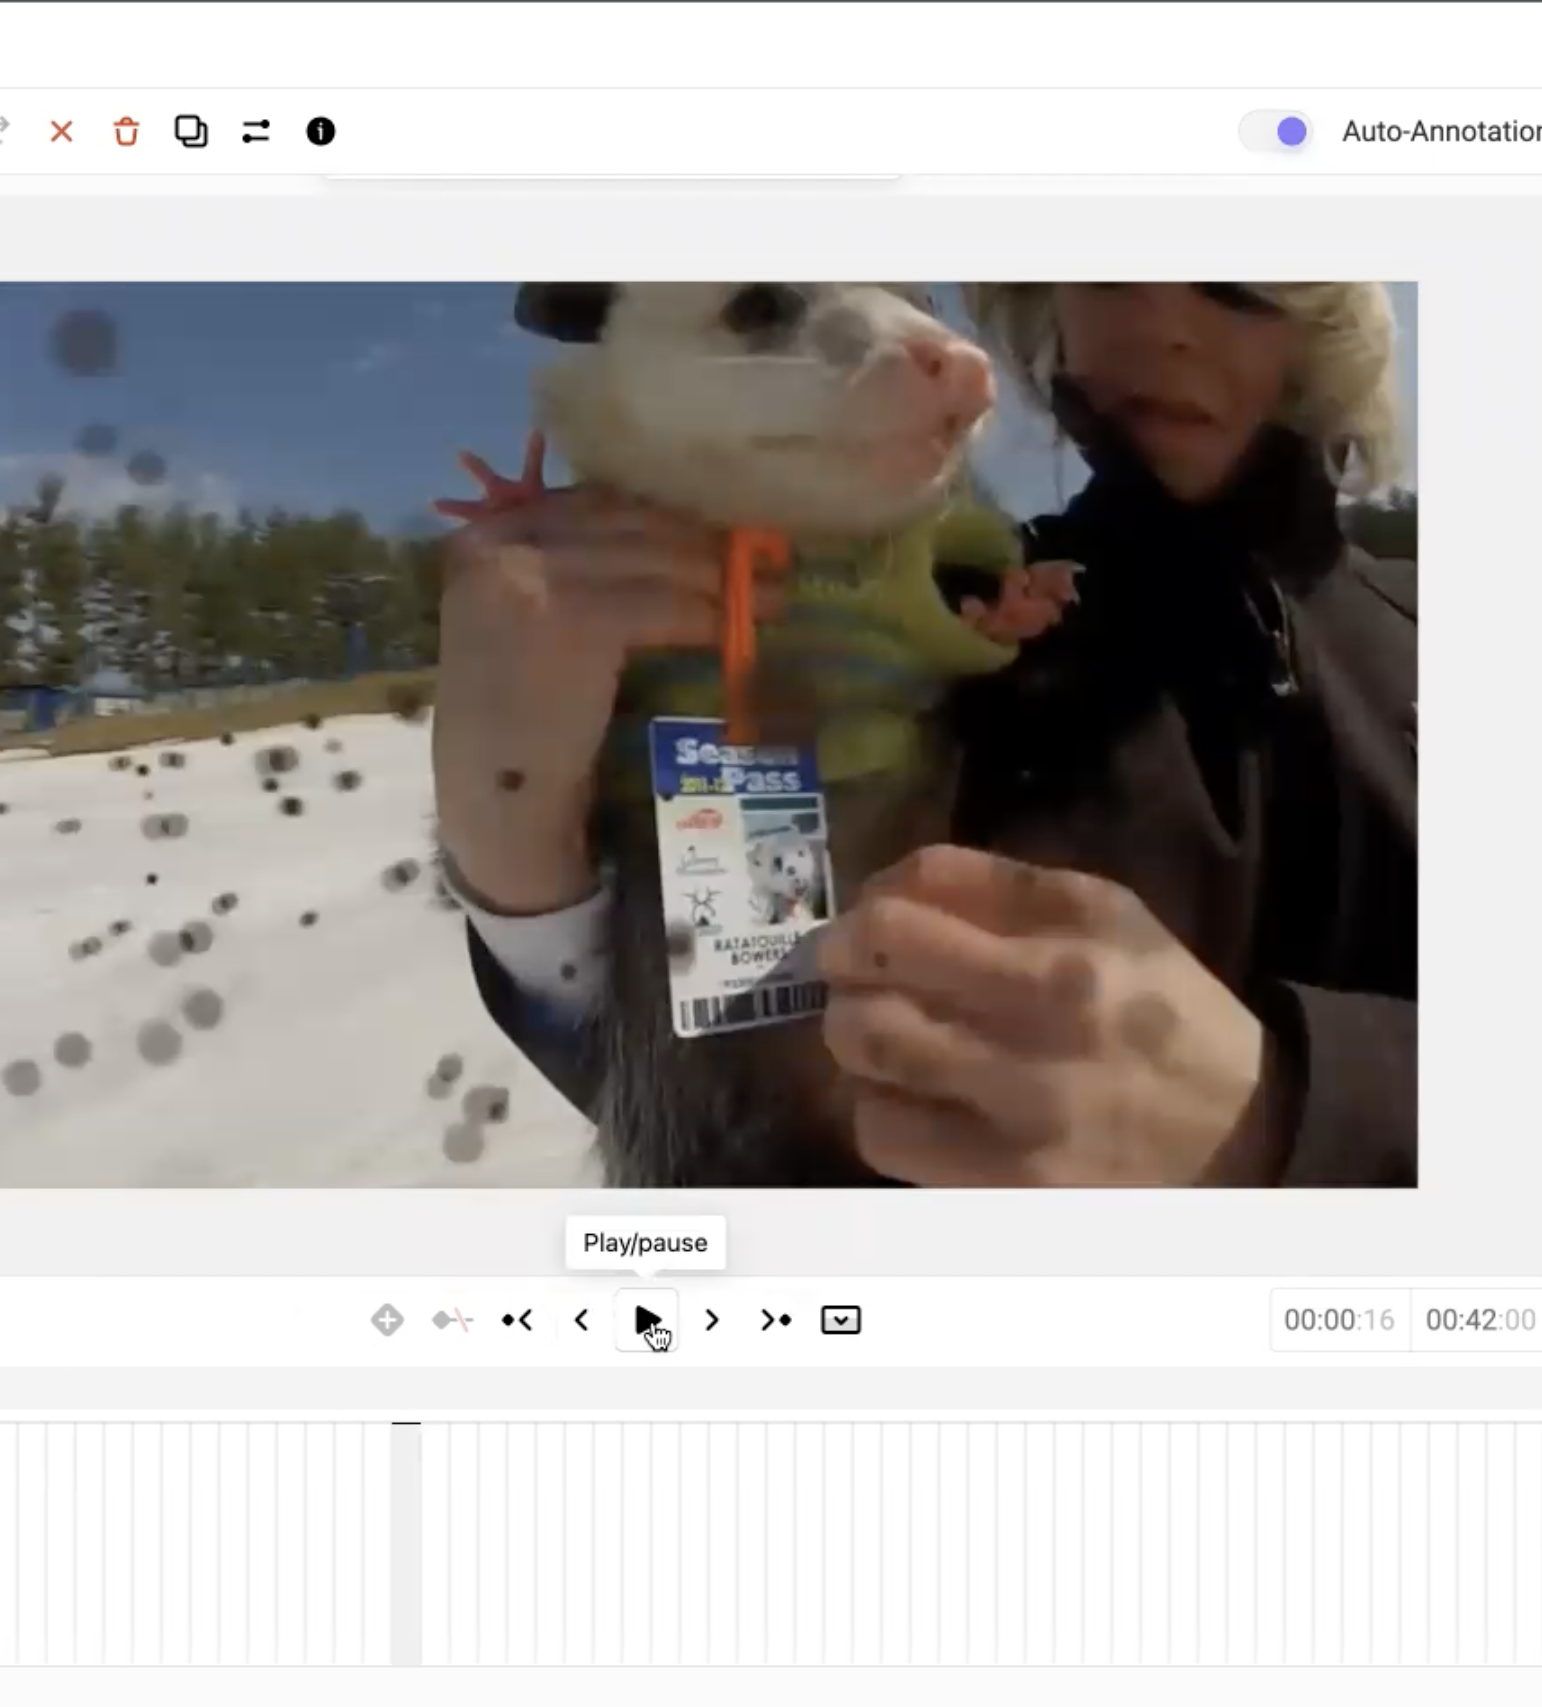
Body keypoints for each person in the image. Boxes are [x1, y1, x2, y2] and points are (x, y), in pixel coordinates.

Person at [432, 283, 1416, 1187]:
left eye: (1239, 285)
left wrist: (1291, 1115)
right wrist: (518, 855)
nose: (1163, 324)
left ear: (1327, 325)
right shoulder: (960, 624)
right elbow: (742, 1116)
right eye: (1109, 271)